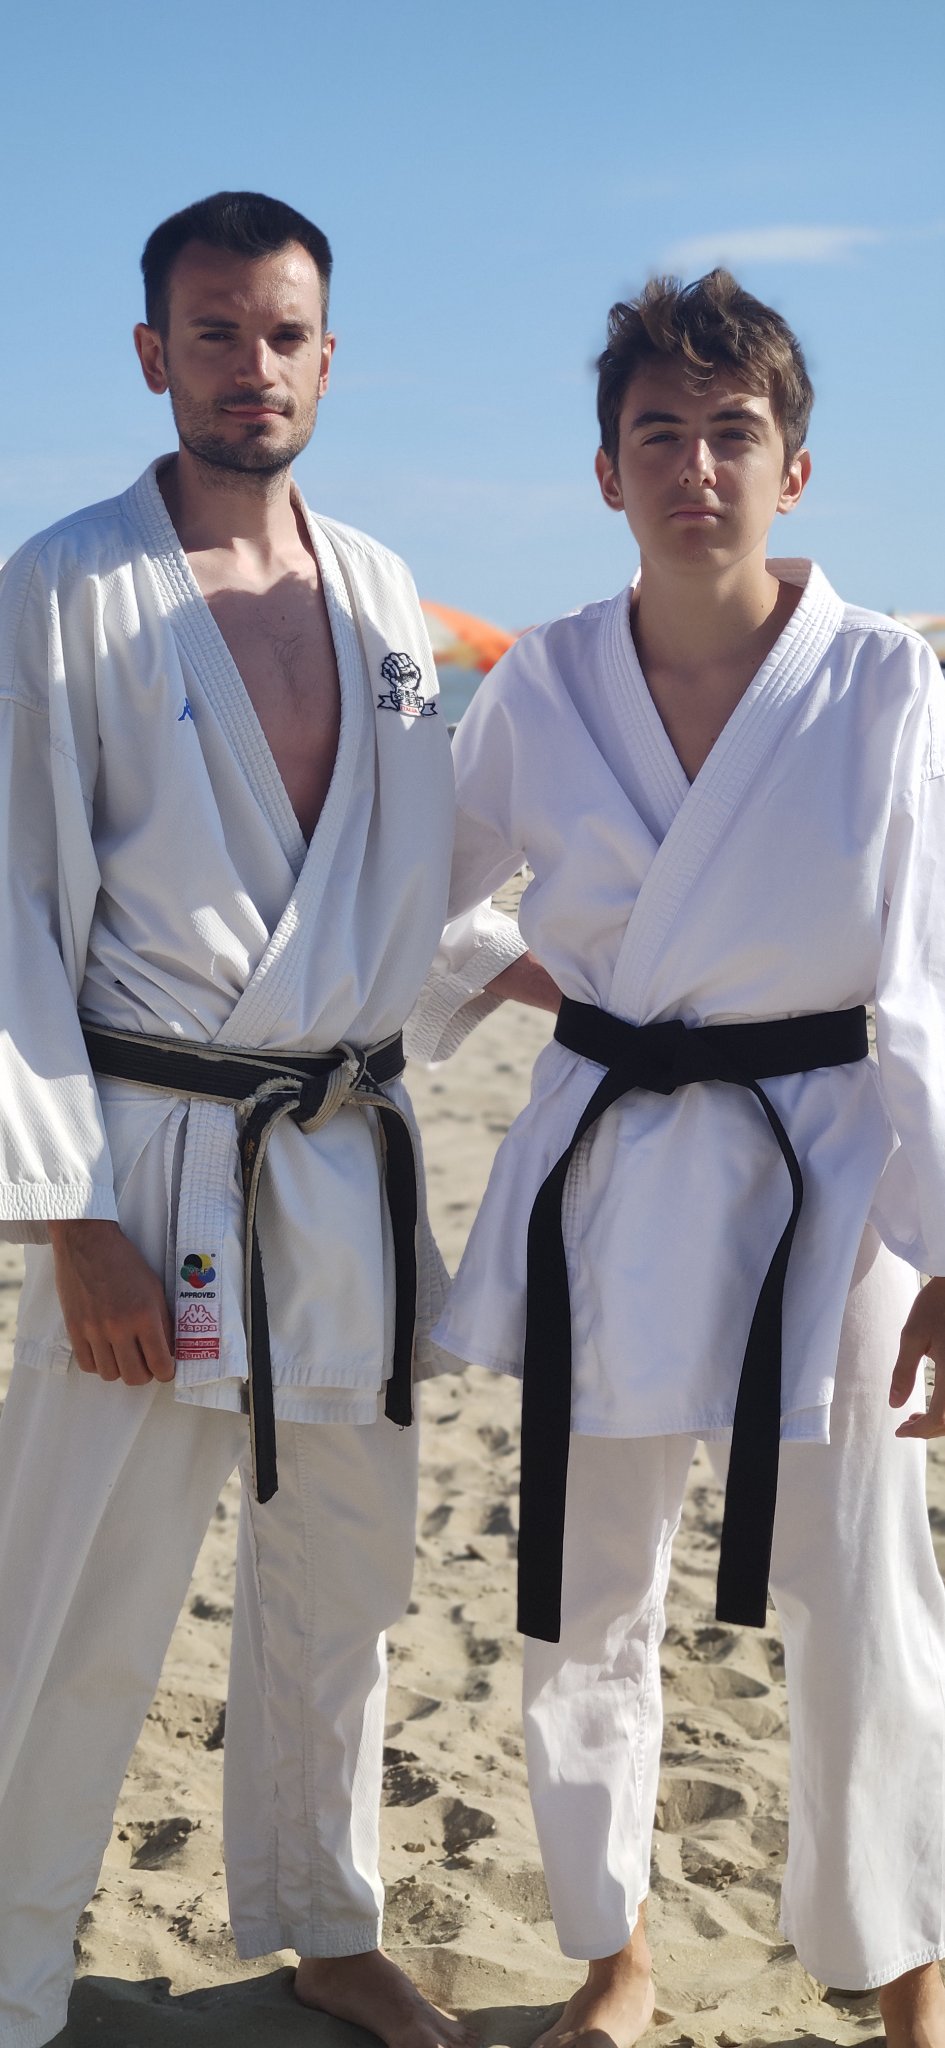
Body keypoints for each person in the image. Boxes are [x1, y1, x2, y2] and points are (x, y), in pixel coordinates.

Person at [0, 189, 546, 2048]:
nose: (254, 364)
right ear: (153, 354)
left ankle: (324, 1921)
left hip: (342, 1153)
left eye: (284, 333)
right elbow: (10, 908)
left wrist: (604, 991)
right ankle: (12, 1968)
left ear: (331, 355)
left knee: (344, 1583)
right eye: (216, 332)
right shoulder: (65, 587)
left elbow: (416, 890)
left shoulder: (384, 594)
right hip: (152, 1159)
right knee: (81, 1587)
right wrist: (70, 1218)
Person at [411, 270, 945, 2045]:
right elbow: (417, 899)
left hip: (830, 1174)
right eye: (659, 434)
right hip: (615, 1165)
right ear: (605, 470)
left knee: (860, 1593)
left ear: (794, 466)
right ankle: (613, 1954)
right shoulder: (544, 684)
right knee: (581, 1591)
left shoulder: (881, 681)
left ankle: (907, 1977)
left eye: (732, 433)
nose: (695, 467)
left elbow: (928, 974)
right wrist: (518, 971)